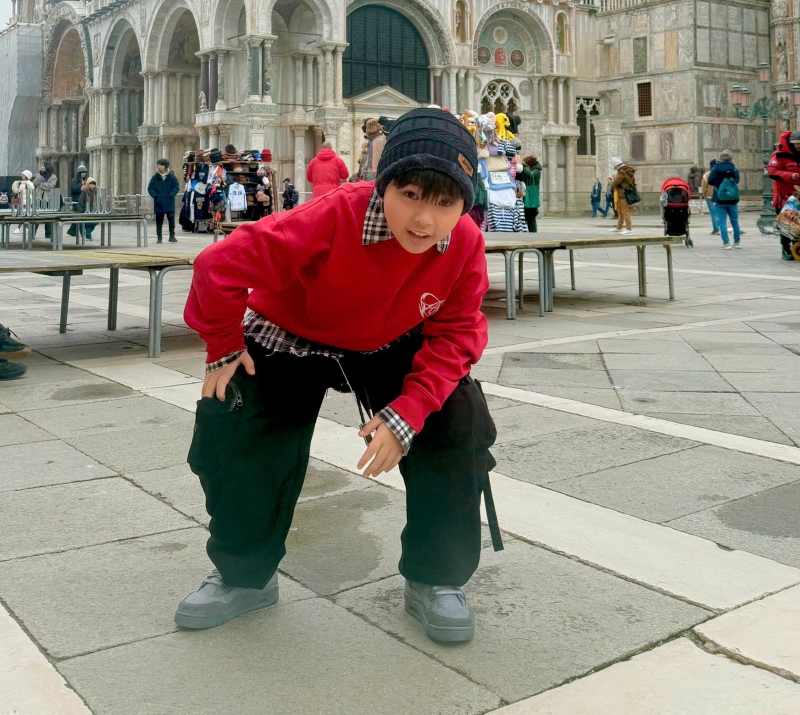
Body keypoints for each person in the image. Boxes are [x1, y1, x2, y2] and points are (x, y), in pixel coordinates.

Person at [175, 107, 498, 645]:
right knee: (238, 429)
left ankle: (435, 577)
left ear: (465, 202)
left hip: (391, 337)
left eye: (445, 203)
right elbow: (219, 267)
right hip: (292, 329)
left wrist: (410, 412)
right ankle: (243, 575)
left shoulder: (463, 242)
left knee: (456, 419)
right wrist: (223, 346)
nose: (424, 220)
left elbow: (459, 333)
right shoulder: (336, 213)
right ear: (384, 185)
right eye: (411, 195)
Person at [767, 128, 800, 261]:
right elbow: (772, 172)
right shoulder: (779, 155)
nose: (799, 146)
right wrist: (789, 176)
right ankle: (786, 249)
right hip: (785, 197)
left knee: (798, 224)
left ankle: (796, 247)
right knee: (787, 224)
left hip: (799, 194)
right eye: (797, 144)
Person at [707, 149, 740, 250]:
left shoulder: (716, 169)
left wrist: (719, 182)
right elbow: (737, 181)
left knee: (722, 221)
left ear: (720, 158)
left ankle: (726, 243)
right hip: (733, 199)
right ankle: (737, 242)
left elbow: (710, 181)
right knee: (734, 221)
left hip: (720, 198)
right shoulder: (734, 168)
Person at [148, 159, 180, 243]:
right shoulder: (155, 177)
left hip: (169, 201)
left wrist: (171, 194)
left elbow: (176, 187)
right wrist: (156, 196)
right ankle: (159, 237)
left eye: (161, 165)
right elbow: (150, 188)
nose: (159, 167)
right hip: (159, 202)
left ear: (165, 166)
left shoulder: (171, 176)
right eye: (158, 165)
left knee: (171, 219)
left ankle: (172, 236)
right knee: (159, 220)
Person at [611, 158, 637, 234]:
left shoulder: (622, 172)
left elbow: (615, 184)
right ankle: (619, 227)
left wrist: (614, 178)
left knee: (625, 212)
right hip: (623, 193)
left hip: (623, 194)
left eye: (615, 168)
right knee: (620, 212)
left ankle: (629, 229)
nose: (615, 169)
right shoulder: (627, 170)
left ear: (617, 166)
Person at [521, 155, 542, 232]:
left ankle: (533, 234)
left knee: (531, 217)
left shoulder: (536, 171)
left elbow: (530, 175)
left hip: (531, 197)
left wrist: (524, 166)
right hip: (528, 197)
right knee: (528, 217)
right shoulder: (532, 169)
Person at [701, 160, 719, 235]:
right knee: (719, 212)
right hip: (720, 196)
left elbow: (704, 187)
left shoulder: (706, 175)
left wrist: (704, 194)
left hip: (710, 196)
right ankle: (721, 227)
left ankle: (716, 229)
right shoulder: (720, 173)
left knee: (713, 212)